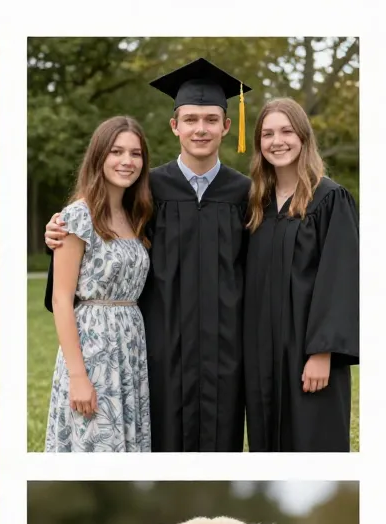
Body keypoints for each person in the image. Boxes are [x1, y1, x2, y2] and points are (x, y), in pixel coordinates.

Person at [45, 58, 253, 452]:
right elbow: (86, 254)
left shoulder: (244, 193)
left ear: (227, 126)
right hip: (159, 350)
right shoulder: (149, 191)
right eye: (190, 119)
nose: (201, 129)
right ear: (174, 126)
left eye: (211, 119)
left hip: (222, 351)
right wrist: (55, 233)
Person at [243, 97, 359, 451]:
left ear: (303, 136)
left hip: (307, 352)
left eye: (286, 131)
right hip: (261, 352)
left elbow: (341, 279)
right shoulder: (257, 205)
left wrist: (322, 353)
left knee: (313, 441)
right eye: (267, 133)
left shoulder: (329, 198)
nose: (277, 141)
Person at [45, 116, 154, 452]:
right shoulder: (77, 216)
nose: (127, 161)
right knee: (97, 441)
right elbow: (62, 299)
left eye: (135, 154)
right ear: (99, 157)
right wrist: (78, 377)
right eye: (116, 151)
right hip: (93, 348)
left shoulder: (137, 215)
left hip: (130, 345)